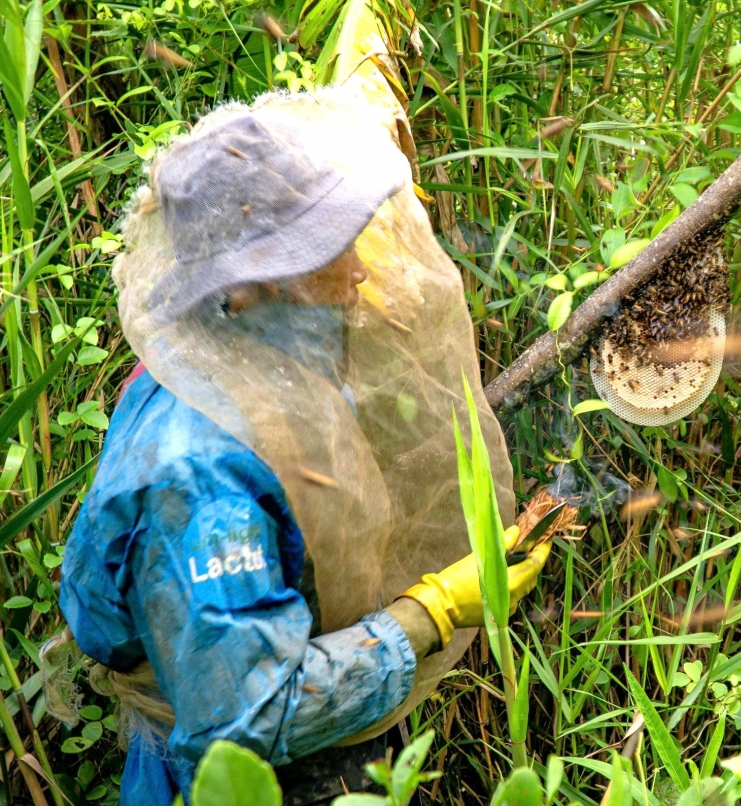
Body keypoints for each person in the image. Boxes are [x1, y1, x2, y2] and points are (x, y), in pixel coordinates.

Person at [59, 103, 545, 805]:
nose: (358, 274)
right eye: (327, 250)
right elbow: (244, 719)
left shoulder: (240, 357)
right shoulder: (201, 477)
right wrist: (431, 612)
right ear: (254, 285)